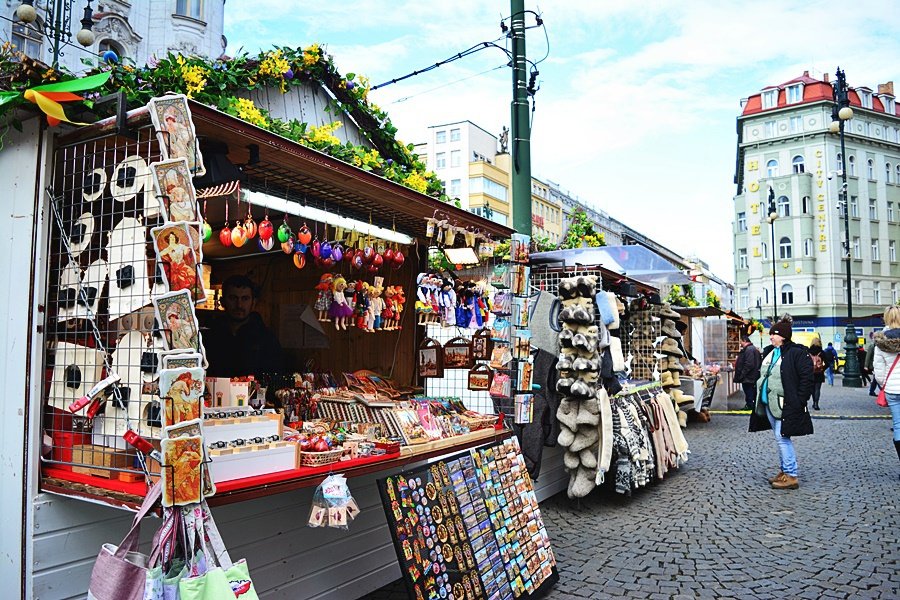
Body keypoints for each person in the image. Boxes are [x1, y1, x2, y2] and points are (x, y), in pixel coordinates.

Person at [749, 318, 814, 490]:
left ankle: (791, 475)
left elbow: (807, 379)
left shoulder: (796, 353)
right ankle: (785, 471)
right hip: (769, 404)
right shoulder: (771, 351)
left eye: (773, 334)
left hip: (786, 404)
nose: (771, 337)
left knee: (782, 438)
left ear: (783, 336)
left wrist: (799, 400)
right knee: (779, 439)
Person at [204, 275, 284, 378]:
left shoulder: (266, 339)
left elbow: (275, 377)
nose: (239, 305)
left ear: (253, 302)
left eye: (245, 299)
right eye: (233, 298)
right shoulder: (209, 337)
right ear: (222, 301)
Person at [872, 305, 900, 480]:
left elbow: (879, 371)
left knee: (898, 426)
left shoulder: (881, 342)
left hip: (892, 389)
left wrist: (886, 384)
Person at [733, 334, 762, 411]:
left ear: (745, 341)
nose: (740, 343)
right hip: (751, 376)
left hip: (749, 377)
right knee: (750, 391)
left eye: (740, 341)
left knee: (748, 391)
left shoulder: (749, 349)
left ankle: (750, 405)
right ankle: (750, 405)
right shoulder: (752, 349)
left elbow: (749, 364)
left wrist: (742, 374)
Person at [808, 340, 826, 411]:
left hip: (811, 373)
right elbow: (827, 363)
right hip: (819, 373)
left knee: (812, 389)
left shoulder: (808, 351)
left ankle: (813, 402)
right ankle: (816, 403)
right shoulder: (822, 352)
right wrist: (822, 369)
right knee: (817, 389)